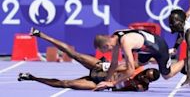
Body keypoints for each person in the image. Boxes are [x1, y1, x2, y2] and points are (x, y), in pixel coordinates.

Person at [18, 28, 160, 91]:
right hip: (101, 68)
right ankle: (41, 35)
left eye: (147, 78)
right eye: (145, 74)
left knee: (66, 83)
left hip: (97, 83)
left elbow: (130, 89)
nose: (144, 77)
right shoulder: (135, 68)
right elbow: (130, 63)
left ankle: (32, 77)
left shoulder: (142, 87)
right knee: (75, 54)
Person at [93, 28, 184, 91]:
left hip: (159, 47)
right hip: (146, 49)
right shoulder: (114, 38)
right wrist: (106, 80)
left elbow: (131, 71)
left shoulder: (125, 42)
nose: (104, 53)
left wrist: (113, 83)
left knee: (167, 75)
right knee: (138, 63)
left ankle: (186, 60)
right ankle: (155, 58)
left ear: (106, 45)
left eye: (103, 50)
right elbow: (114, 63)